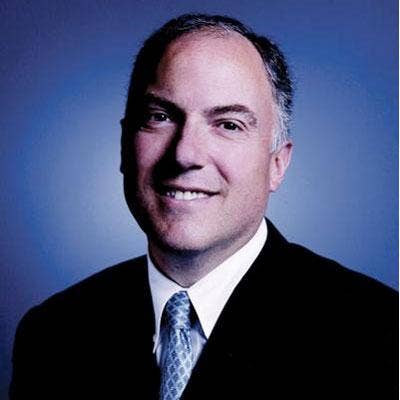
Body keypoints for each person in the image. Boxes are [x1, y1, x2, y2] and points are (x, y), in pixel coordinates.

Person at [10, 13, 397, 399]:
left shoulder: (378, 335)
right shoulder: (53, 333)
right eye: (160, 117)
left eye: (228, 124)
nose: (185, 154)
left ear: (277, 164)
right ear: (125, 147)